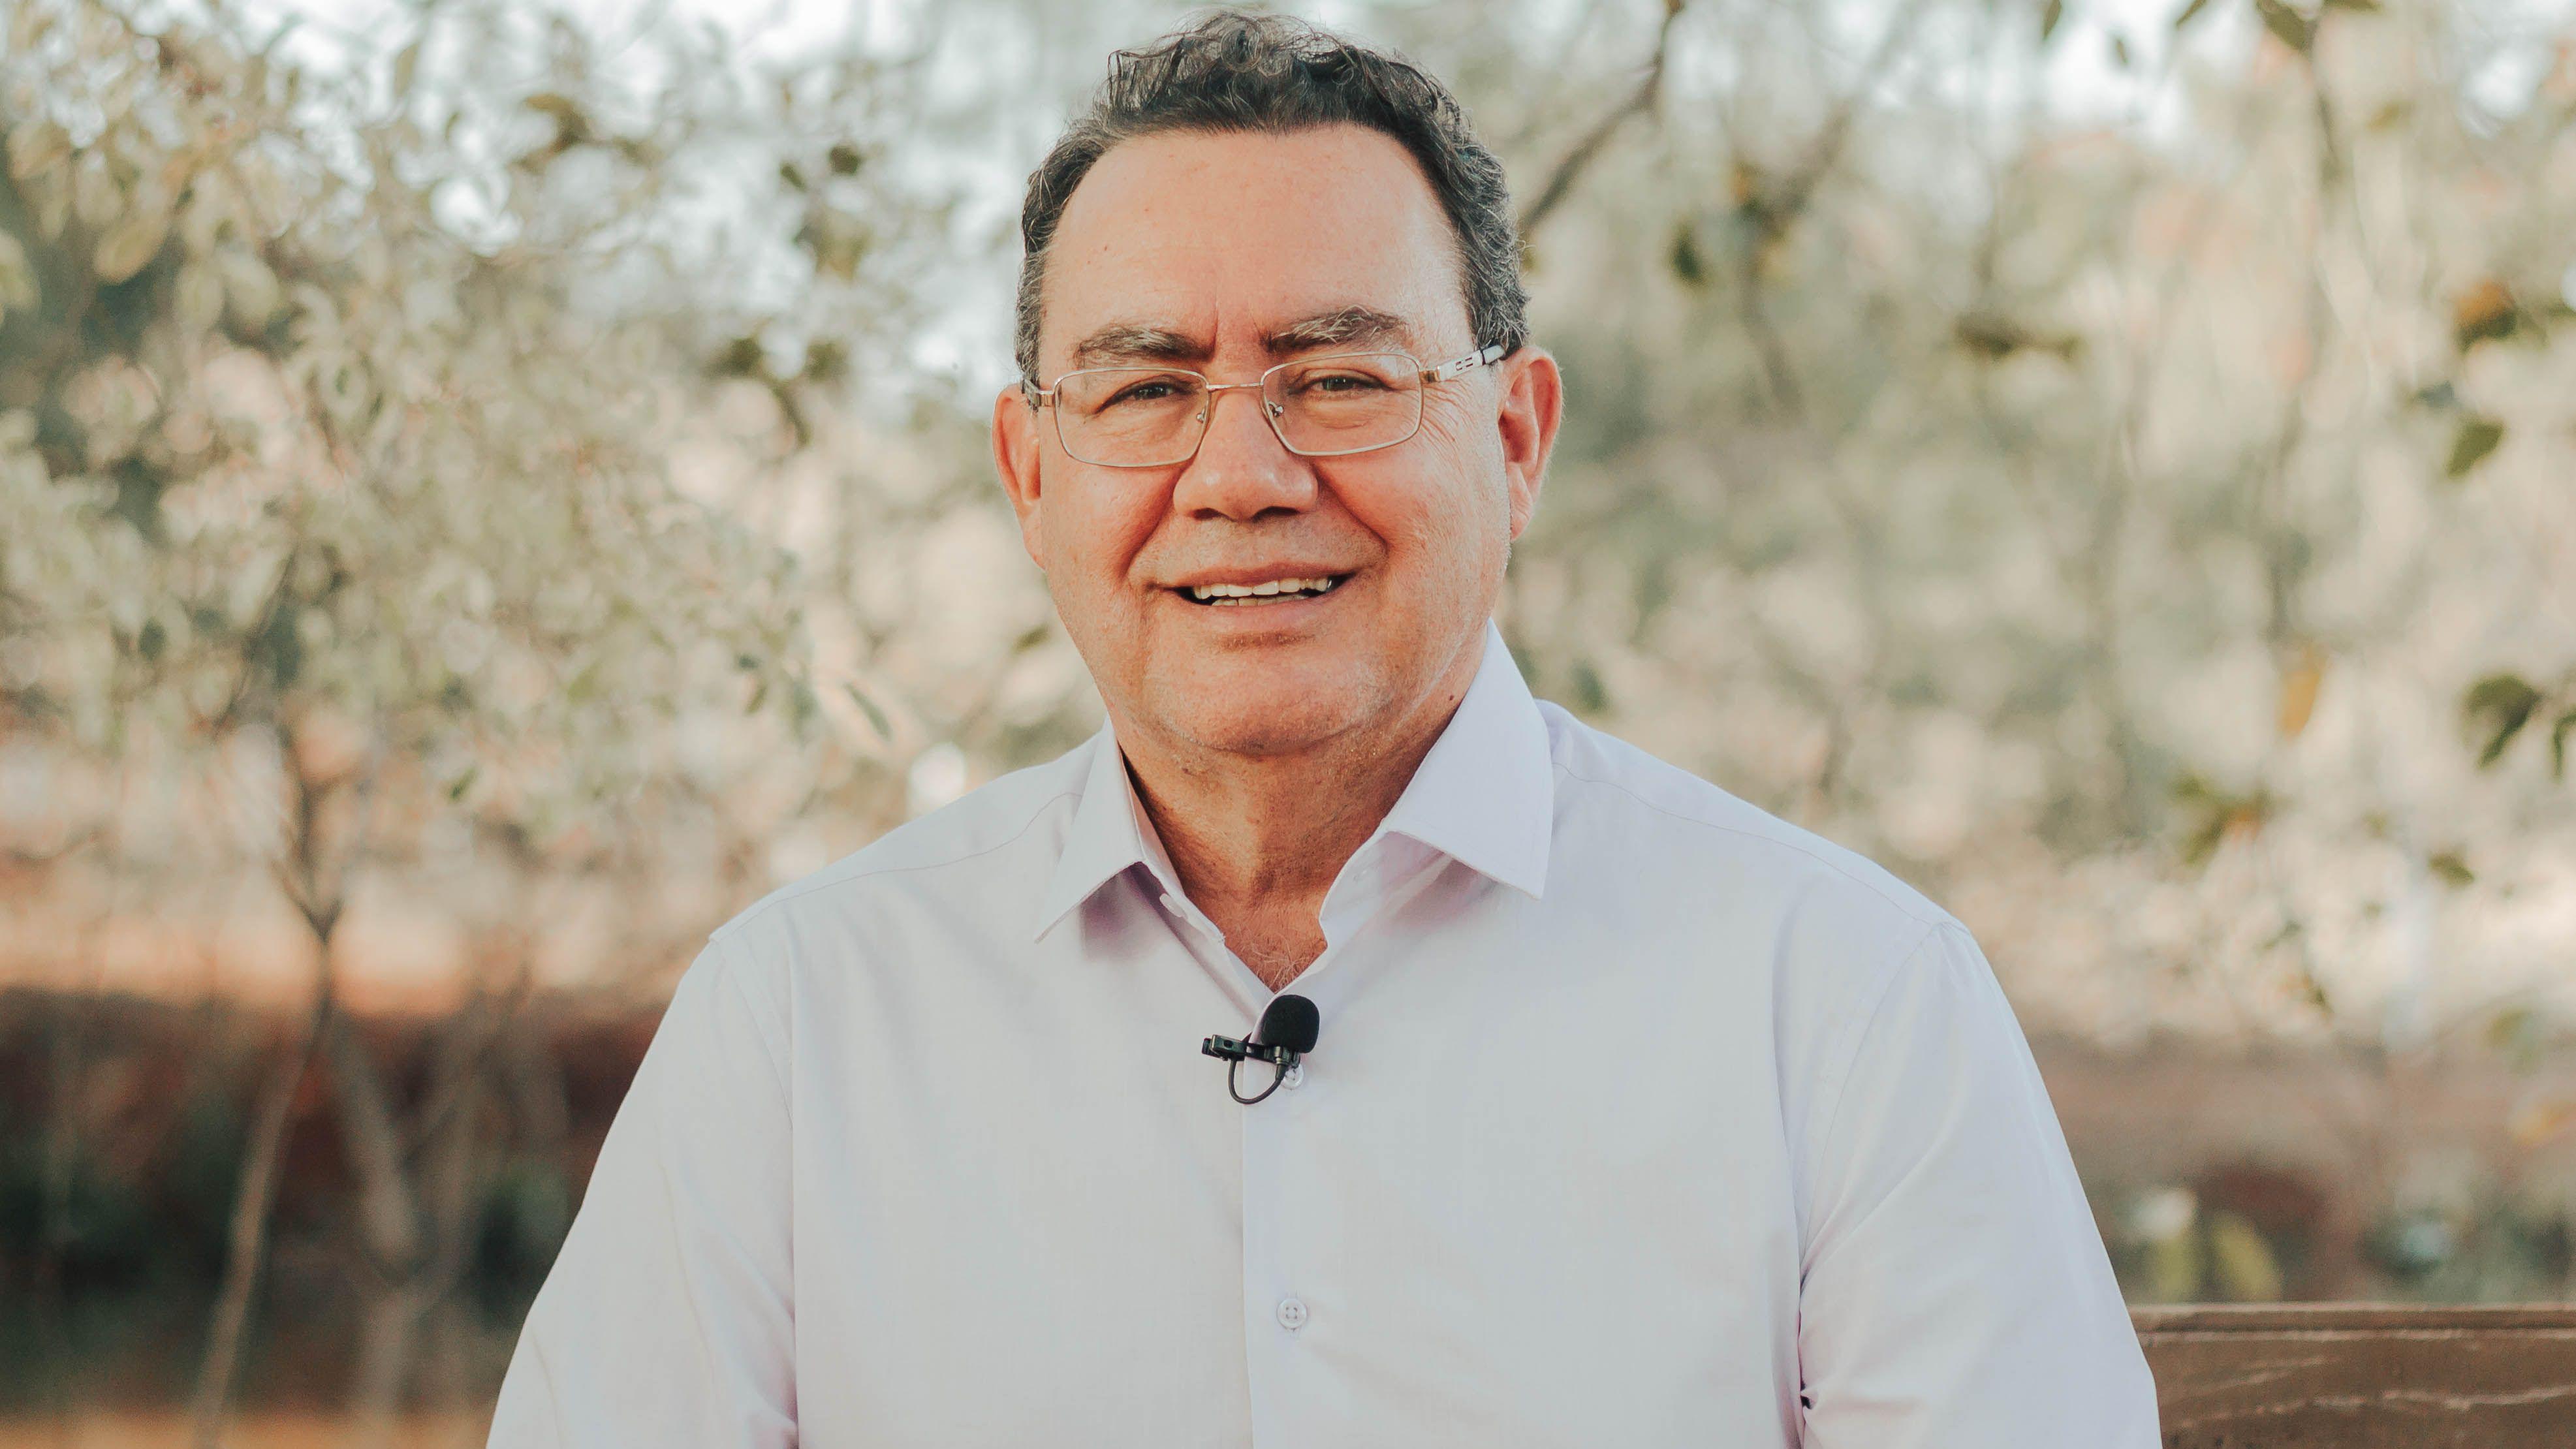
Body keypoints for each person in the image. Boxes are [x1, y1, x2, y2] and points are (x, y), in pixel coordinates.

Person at [488, 12, 2161, 1446]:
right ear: (1026, 472)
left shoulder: (1846, 1003)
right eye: (1145, 389)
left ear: (1511, 438)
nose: (1238, 477)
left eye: (1339, 380)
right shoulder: (800, 1025)